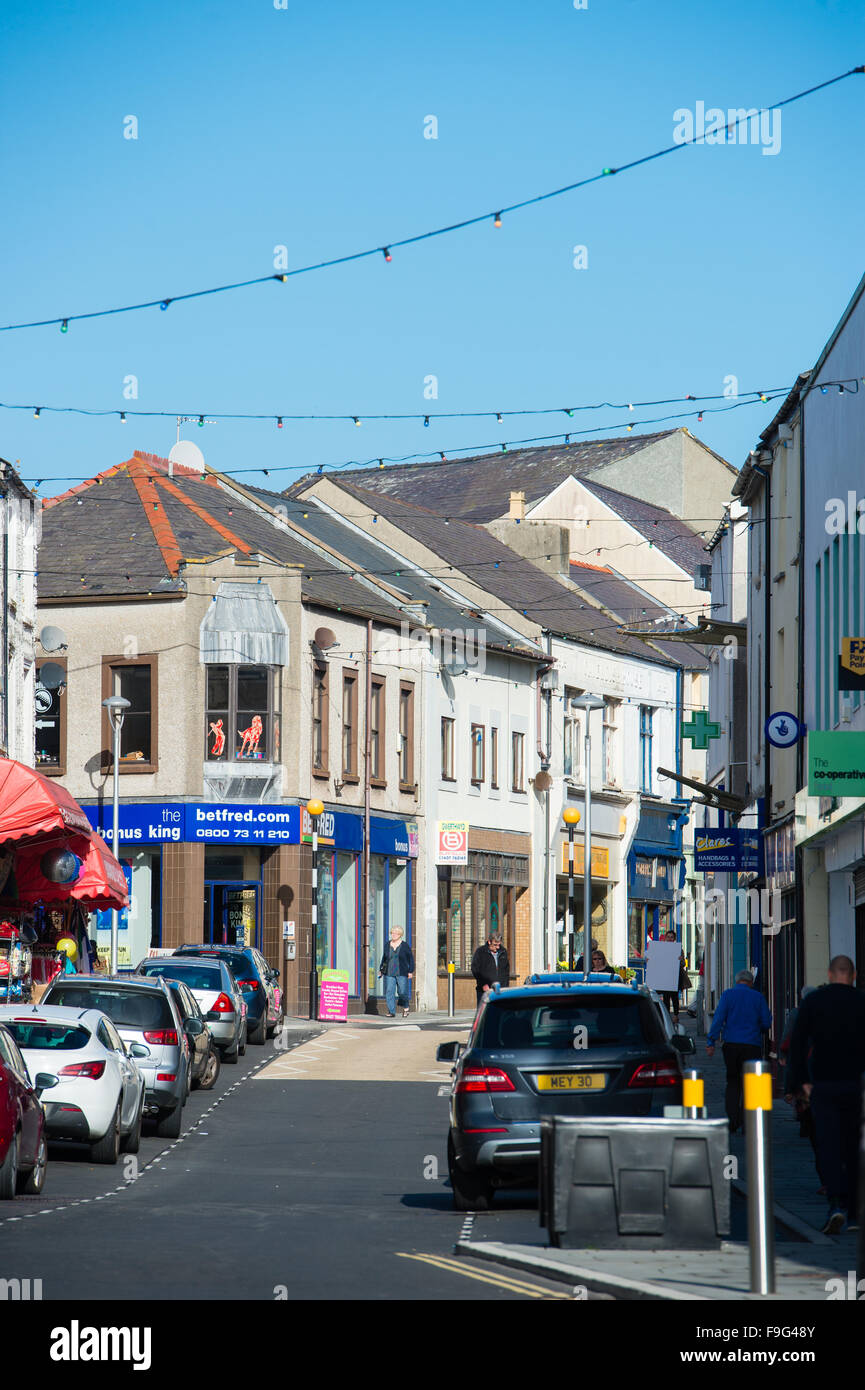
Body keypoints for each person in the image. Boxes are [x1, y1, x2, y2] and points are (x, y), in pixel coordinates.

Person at [787, 955, 865, 1235]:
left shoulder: (814, 1002)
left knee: (828, 1145)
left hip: (823, 1085)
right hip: (856, 1085)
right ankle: (855, 1213)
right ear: (853, 975)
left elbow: (797, 1046)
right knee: (855, 1147)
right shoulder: (861, 1001)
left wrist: (800, 1084)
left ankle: (836, 1204)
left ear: (830, 974)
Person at [706, 969, 771, 1133]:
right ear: (750, 982)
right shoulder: (758, 997)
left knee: (733, 1082)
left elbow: (719, 1018)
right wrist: (758, 1029)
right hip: (752, 1046)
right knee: (751, 1085)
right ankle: (747, 1121)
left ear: (737, 981)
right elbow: (766, 1022)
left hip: (732, 1045)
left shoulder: (728, 995)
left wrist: (711, 1041)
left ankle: (733, 1119)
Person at [779, 986, 824, 1193]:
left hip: (810, 1087)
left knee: (818, 1136)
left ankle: (829, 1183)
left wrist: (789, 1088)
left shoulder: (797, 1016)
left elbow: (792, 1057)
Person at [378, 925, 414, 1018]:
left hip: (401, 972)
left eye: (396, 933)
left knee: (402, 992)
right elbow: (384, 958)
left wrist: (410, 971)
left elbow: (411, 959)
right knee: (389, 991)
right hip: (389, 972)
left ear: (400, 935)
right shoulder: (387, 944)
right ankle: (391, 1011)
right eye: (393, 933)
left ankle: (406, 1007)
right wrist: (381, 970)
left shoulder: (404, 945)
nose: (394, 935)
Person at [471, 932, 510, 1005]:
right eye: (495, 945)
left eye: (499, 945)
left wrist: (505, 987)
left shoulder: (503, 952)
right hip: (485, 989)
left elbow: (506, 971)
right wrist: (483, 984)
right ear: (489, 942)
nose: (497, 947)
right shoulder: (481, 952)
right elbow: (475, 970)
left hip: (500, 990)